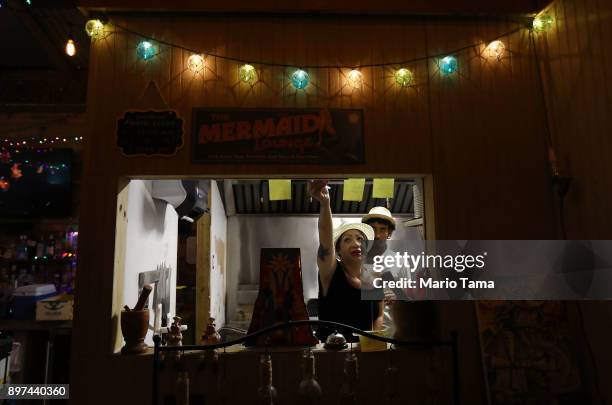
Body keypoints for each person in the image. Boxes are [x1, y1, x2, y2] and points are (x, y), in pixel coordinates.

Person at [309, 180, 384, 342]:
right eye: (347, 240)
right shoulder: (331, 271)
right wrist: (325, 204)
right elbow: (326, 241)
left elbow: (379, 315)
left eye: (359, 239)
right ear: (338, 251)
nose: (356, 243)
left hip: (364, 353)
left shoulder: (375, 276)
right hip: (332, 354)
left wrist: (373, 341)